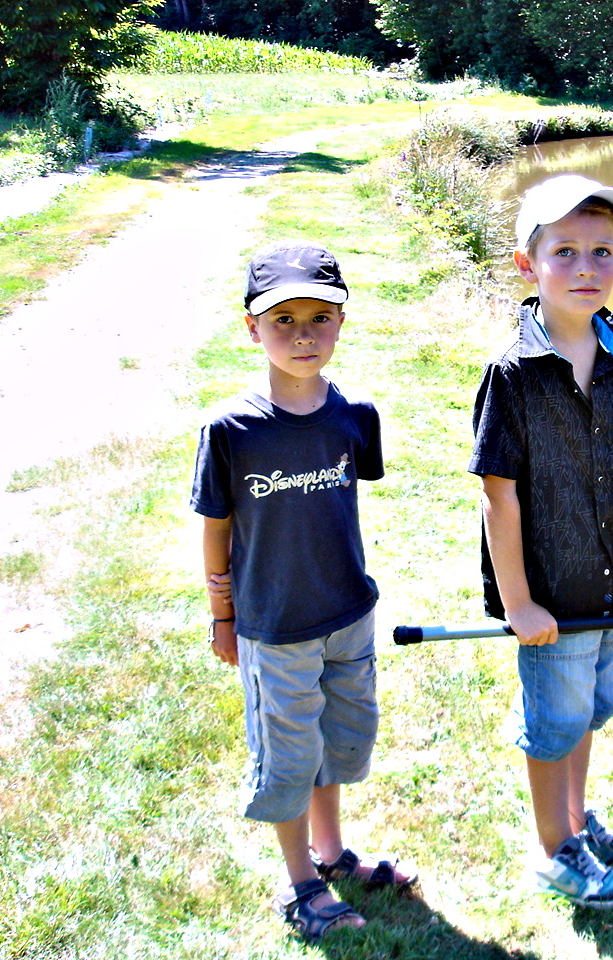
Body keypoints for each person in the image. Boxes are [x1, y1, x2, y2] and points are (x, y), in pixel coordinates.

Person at [469, 174, 613, 909]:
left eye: (601, 252)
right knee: (553, 721)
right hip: (550, 593)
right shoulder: (512, 373)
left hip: (612, 582)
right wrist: (518, 604)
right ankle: (553, 851)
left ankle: (576, 820)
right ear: (526, 263)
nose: (586, 267)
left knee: (590, 710)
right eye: (563, 251)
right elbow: (496, 498)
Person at [190, 241, 416, 942]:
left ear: (342, 324)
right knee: (286, 756)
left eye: (320, 316)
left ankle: (332, 852)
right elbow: (216, 530)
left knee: (336, 743)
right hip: (274, 623)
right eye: (282, 318)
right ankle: (299, 883)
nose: (302, 333)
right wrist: (223, 616)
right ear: (250, 328)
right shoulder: (230, 430)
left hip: (348, 612)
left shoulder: (356, 415)